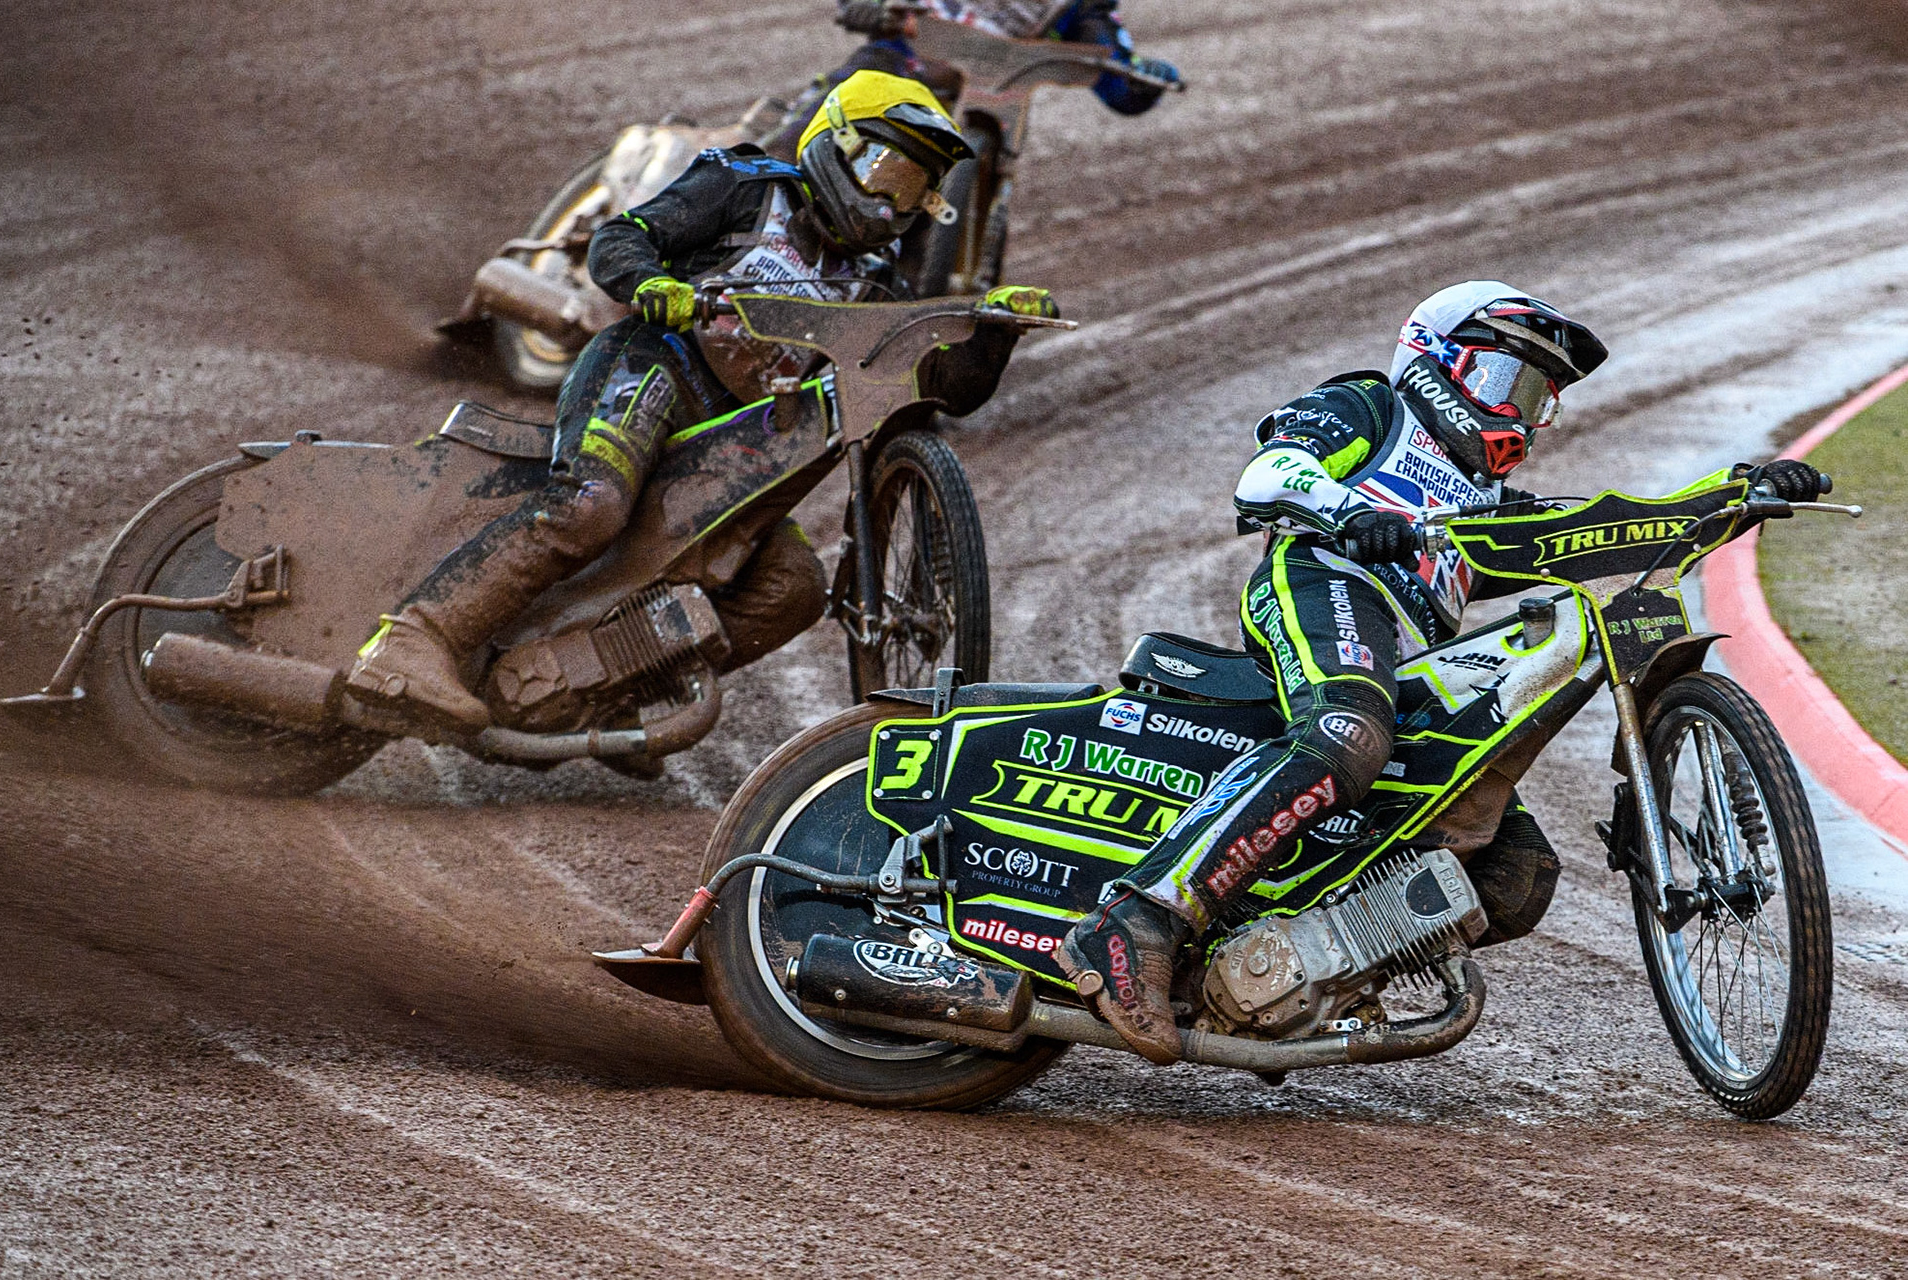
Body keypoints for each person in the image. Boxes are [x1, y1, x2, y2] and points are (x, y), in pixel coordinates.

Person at [1054, 280, 1830, 1064]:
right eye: (1508, 383)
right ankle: (1136, 925)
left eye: (1539, 399)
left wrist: (1733, 496)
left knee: (1515, 872)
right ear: (1439, 361)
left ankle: (1291, 966)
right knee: (1347, 730)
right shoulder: (1371, 406)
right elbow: (1269, 474)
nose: (1522, 414)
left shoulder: (1487, 502)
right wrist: (1352, 513)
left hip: (1397, 645)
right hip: (1322, 579)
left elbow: (1592, 530)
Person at [347, 71, 1058, 734]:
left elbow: (944, 394)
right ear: (837, 145)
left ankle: (610, 697)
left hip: (742, 443)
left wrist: (992, 335)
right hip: (657, 367)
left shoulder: (879, 289)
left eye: (914, 190)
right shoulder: (746, 185)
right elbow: (622, 238)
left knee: (794, 587)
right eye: (886, 172)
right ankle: (411, 642)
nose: (893, 204)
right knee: (589, 505)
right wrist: (651, 282)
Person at [769, 0, 1180, 157]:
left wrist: (1141, 81)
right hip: (895, 65)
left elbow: (1109, 61)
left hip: (983, 101)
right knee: (799, 141)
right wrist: (868, 7)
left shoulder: (1076, 6)